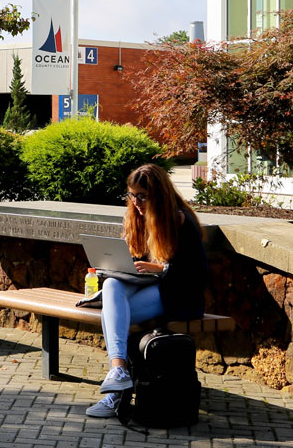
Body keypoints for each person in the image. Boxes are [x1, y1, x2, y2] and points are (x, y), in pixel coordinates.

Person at [86, 163, 207, 418]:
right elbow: (138, 257)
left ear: (159, 195)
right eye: (132, 195)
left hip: (178, 294)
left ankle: (114, 395)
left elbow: (191, 272)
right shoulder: (136, 217)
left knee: (115, 312)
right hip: (152, 286)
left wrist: (157, 267)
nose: (137, 202)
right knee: (111, 284)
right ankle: (118, 370)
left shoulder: (179, 219)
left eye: (143, 196)